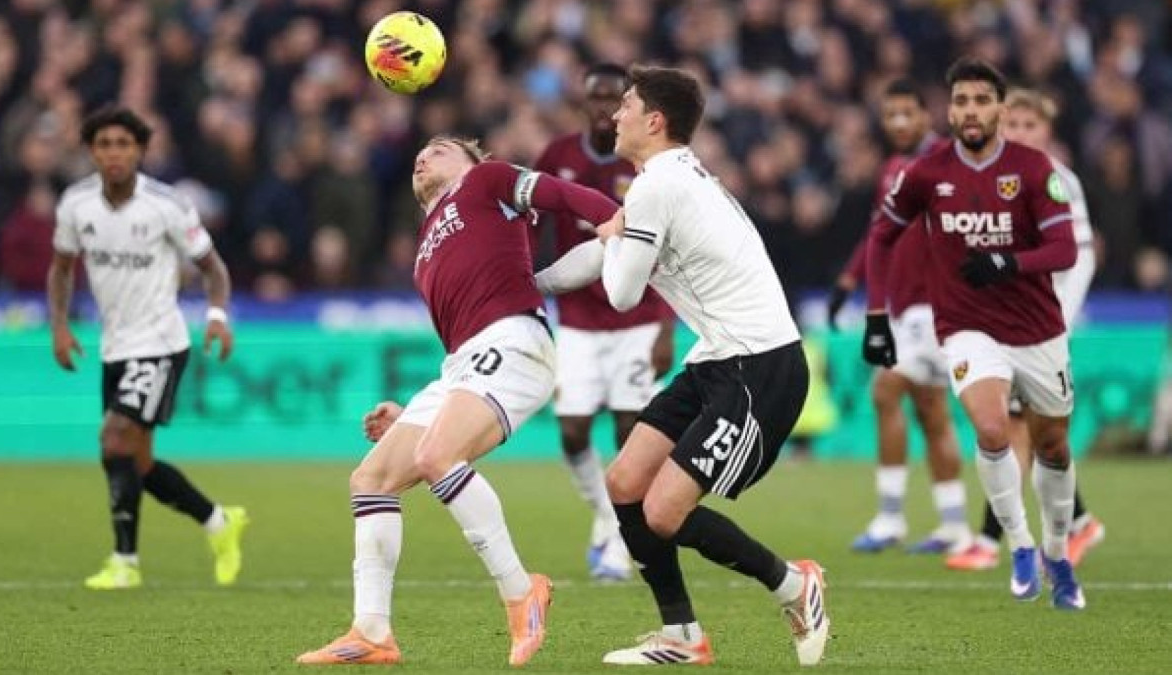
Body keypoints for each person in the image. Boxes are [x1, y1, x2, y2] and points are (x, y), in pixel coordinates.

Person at [536, 65, 829, 667]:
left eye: (625, 104)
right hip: (718, 357)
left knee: (663, 510)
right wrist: (527, 285)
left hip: (760, 364)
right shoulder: (666, 180)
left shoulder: (655, 187)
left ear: (654, 120)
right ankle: (681, 636)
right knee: (623, 483)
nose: (614, 115)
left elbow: (620, 292)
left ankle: (795, 586)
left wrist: (614, 233)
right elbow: (599, 254)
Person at [295, 136, 621, 667]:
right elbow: (471, 331)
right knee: (370, 480)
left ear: (473, 162)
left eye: (442, 149)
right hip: (465, 363)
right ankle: (372, 631)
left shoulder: (486, 182)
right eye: (420, 153)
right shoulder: (428, 238)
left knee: (436, 456)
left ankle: (522, 593)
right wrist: (418, 413)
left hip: (514, 342)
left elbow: (558, 192)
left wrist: (610, 217)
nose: (423, 156)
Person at [862, 58, 1086, 610]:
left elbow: (1065, 249)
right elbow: (882, 236)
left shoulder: (1035, 169)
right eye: (961, 101)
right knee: (990, 429)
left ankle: (1058, 550)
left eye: (981, 101)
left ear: (1000, 110)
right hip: (966, 327)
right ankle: (1021, 546)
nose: (970, 111)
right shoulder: (926, 173)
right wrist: (874, 315)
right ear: (951, 109)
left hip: (1037, 330)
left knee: (1053, 443)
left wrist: (1009, 263)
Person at [47, 105, 248, 590]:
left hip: (159, 343)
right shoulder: (76, 204)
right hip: (115, 345)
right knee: (135, 461)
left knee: (113, 438)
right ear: (91, 152)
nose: (114, 153)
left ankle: (125, 562)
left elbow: (213, 268)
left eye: (123, 144)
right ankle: (220, 522)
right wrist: (59, 324)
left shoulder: (167, 205)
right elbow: (60, 267)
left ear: (139, 151)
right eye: (104, 145)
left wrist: (217, 317)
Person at [947, 88, 1106, 572]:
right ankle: (1075, 524)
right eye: (1011, 124)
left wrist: (1060, 316)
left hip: (1041, 326)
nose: (1018, 133)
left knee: (1020, 427)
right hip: (1002, 322)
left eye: (1029, 126)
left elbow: (1081, 254)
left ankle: (991, 540)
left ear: (1048, 132)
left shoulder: (1058, 179)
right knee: (1022, 427)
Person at [531, 62, 676, 581]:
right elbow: (530, 226)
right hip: (576, 321)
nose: (603, 108)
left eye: (613, 99)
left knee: (627, 431)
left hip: (635, 316)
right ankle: (605, 515)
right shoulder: (558, 156)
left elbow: (667, 245)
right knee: (572, 432)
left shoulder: (644, 164)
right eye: (594, 97)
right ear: (582, 102)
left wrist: (665, 325)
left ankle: (618, 540)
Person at [828, 79, 972, 555]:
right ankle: (953, 525)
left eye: (908, 113)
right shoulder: (893, 167)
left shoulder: (947, 164)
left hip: (938, 305)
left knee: (887, 392)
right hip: (905, 307)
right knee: (931, 412)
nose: (899, 123)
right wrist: (850, 279)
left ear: (926, 116)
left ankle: (891, 518)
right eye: (891, 115)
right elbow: (880, 233)